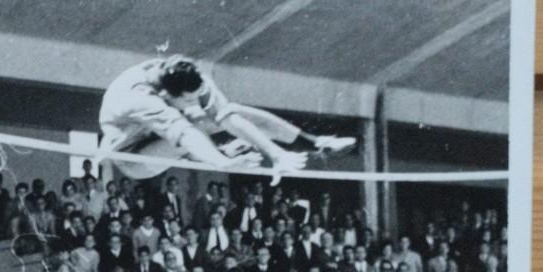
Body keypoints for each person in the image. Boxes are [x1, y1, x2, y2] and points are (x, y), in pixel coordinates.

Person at [98, 56, 353, 181]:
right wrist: (223, 163)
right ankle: (222, 151)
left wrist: (278, 155)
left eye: (196, 97)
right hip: (132, 157)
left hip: (160, 130)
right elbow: (186, 134)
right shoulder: (139, 98)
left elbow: (229, 117)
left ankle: (315, 143)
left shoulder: (189, 76)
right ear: (166, 95)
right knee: (196, 123)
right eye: (187, 100)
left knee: (228, 111)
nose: (195, 103)